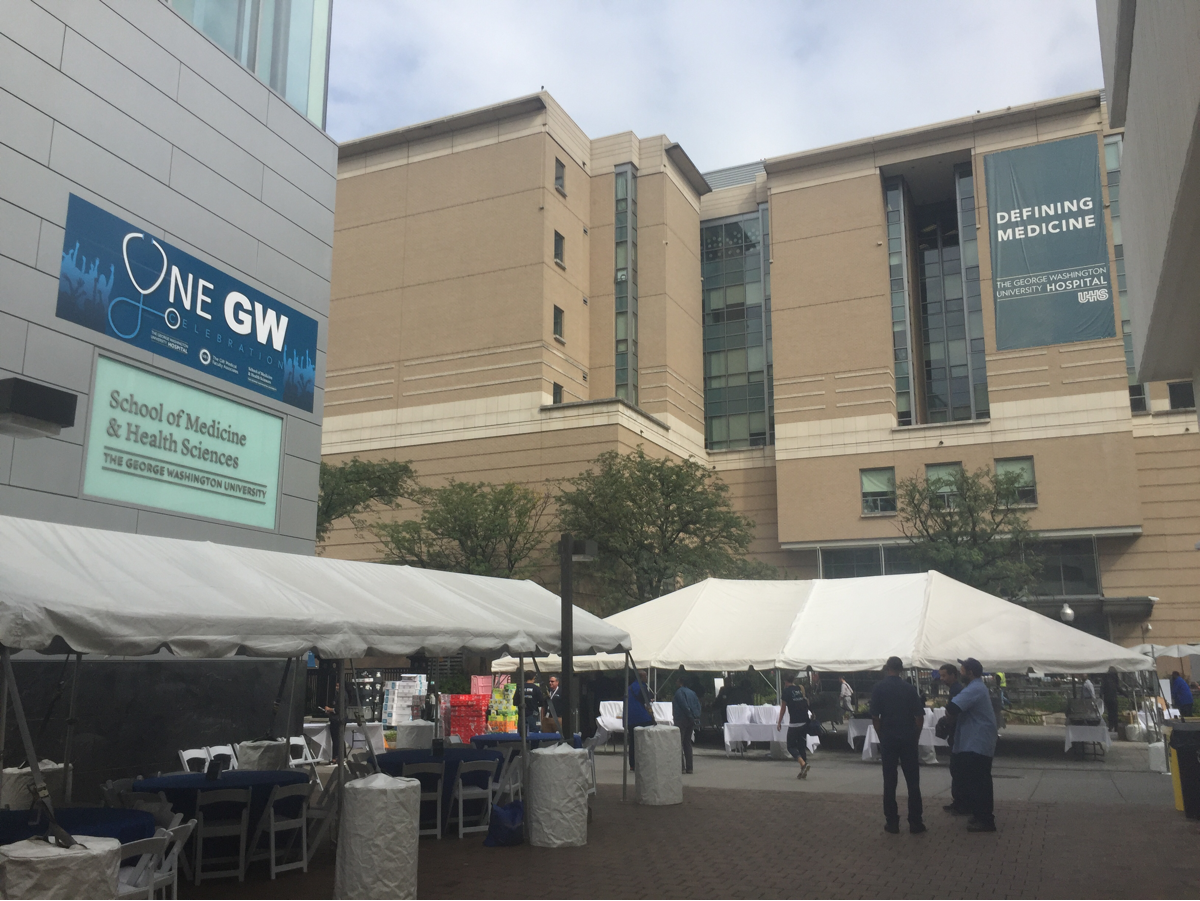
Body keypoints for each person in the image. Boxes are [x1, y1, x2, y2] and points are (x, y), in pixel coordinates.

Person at [870, 656, 925, 834]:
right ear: (901, 670)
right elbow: (919, 717)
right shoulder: (909, 689)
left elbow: (875, 717)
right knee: (913, 782)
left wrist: (881, 735)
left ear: (887, 668)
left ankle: (892, 821)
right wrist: (915, 736)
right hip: (908, 736)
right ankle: (915, 821)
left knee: (889, 781)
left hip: (889, 737)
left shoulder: (879, 688)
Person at [945, 657, 998, 833]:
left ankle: (985, 819)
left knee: (979, 782)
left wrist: (948, 714)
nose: (960, 672)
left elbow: (953, 707)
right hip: (974, 741)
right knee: (975, 780)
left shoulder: (975, 688)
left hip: (977, 742)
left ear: (970, 673)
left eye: (962, 670)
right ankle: (978, 814)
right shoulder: (976, 688)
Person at [938, 663, 965, 815]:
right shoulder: (955, 690)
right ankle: (958, 801)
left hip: (957, 734)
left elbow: (953, 712)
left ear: (953, 675)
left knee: (957, 769)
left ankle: (961, 802)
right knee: (956, 769)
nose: (942, 679)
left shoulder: (956, 690)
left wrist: (947, 720)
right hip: (956, 734)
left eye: (944, 675)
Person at [777, 672, 812, 778]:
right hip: (804, 721)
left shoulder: (786, 691)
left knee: (790, 746)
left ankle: (803, 763)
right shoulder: (798, 689)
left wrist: (779, 722)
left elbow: (783, 709)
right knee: (801, 745)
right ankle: (803, 770)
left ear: (785, 681)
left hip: (794, 723)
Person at [672, 669, 702, 775]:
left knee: (679, 743)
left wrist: (689, 715)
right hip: (691, 719)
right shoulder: (692, 693)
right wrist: (695, 717)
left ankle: (682, 767)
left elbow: (684, 705)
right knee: (687, 743)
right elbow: (698, 705)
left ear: (680, 682)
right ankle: (690, 767)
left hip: (681, 719)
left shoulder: (679, 692)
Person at [627, 669, 655, 770]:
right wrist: (652, 716)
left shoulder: (629, 688)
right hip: (642, 718)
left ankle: (632, 764)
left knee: (632, 742)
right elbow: (647, 702)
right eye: (645, 676)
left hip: (630, 719)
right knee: (644, 741)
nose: (647, 678)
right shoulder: (642, 687)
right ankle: (643, 763)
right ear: (641, 677)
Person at [1101, 668, 1121, 733]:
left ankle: (1111, 726)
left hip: (1107, 698)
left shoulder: (1105, 679)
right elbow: (1118, 688)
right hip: (1113, 698)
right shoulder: (1114, 680)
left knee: (1110, 713)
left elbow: (1102, 688)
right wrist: (1126, 694)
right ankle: (1115, 727)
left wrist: (1101, 696)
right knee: (1115, 713)